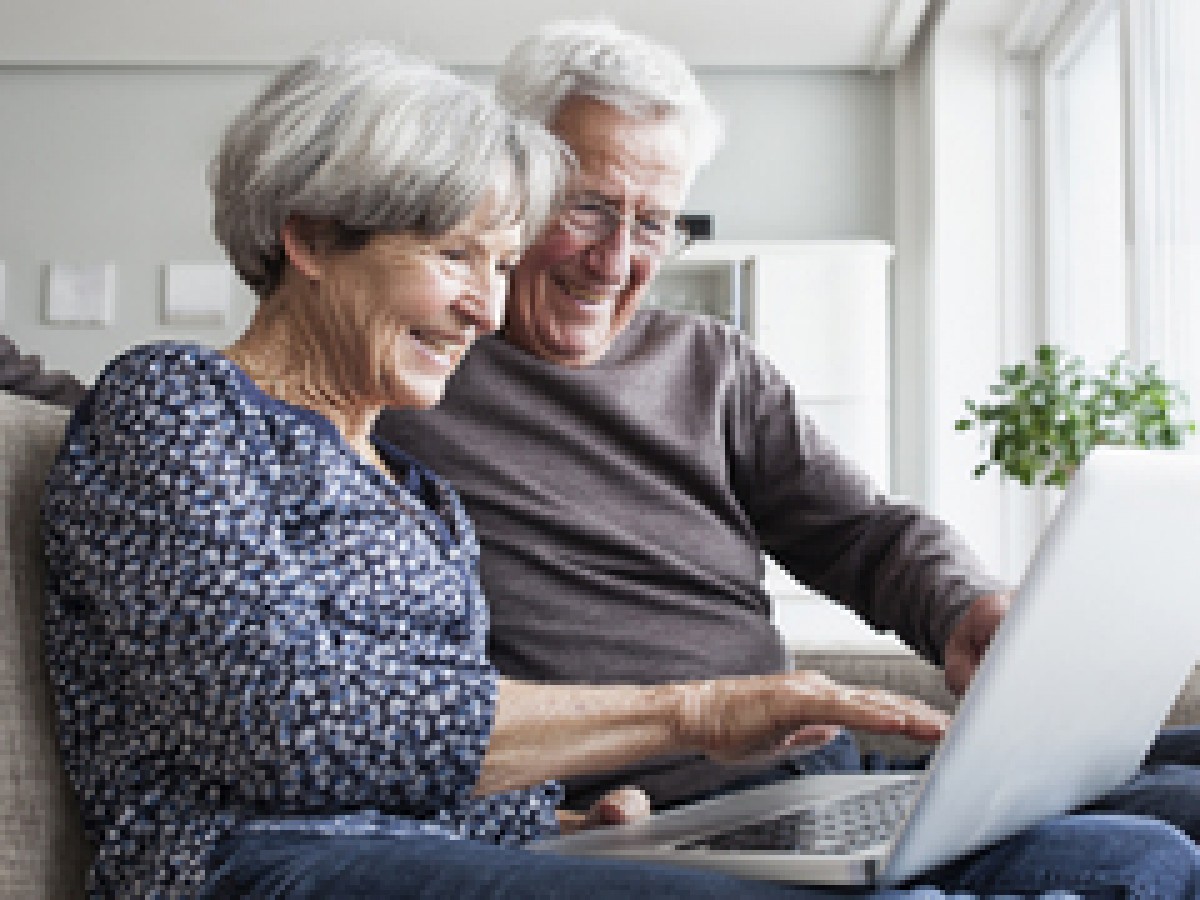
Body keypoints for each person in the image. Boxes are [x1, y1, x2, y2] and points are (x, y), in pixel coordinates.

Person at [40, 41, 983, 900]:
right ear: (313, 237)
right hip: (244, 865)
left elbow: (421, 756)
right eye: (455, 257)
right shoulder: (177, 403)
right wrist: (700, 711)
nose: (485, 311)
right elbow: (286, 724)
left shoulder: (415, 493)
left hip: (416, 852)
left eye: (497, 263)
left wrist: (556, 819)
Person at [374, 16, 1200, 897]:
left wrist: (964, 606)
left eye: (654, 223)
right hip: (658, 817)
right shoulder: (407, 381)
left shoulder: (711, 364)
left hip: (821, 781)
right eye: (587, 208)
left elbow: (862, 533)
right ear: (509, 186)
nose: (615, 261)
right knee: (1142, 862)